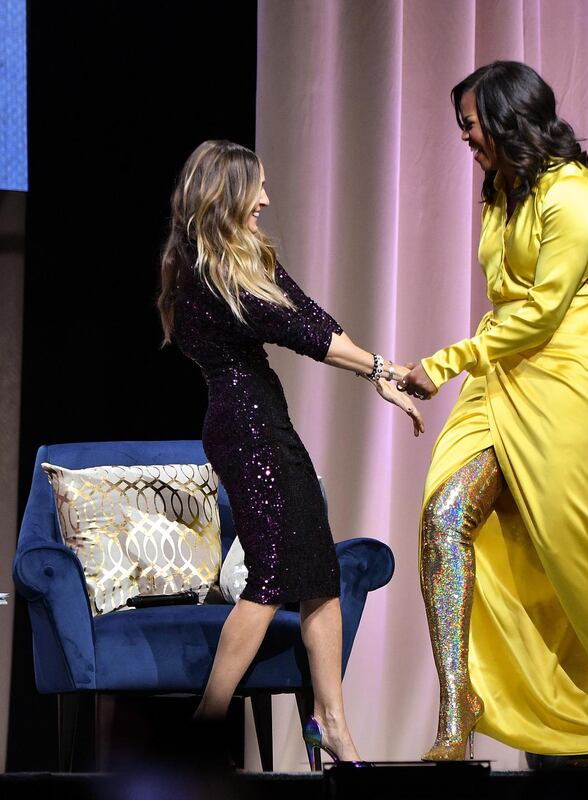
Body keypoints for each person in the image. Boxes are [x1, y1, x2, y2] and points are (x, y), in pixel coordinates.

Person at [399, 61, 588, 766]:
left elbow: (544, 312)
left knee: (573, 557)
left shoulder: (572, 194)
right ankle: (460, 708)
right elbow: (511, 309)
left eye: (471, 124)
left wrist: (444, 364)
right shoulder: (502, 194)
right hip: (505, 373)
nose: (465, 138)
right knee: (444, 516)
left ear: (507, 119)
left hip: (576, 377)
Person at [158, 140, 421, 764]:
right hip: (247, 430)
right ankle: (206, 725)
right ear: (225, 195)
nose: (267, 201)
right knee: (275, 574)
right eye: (257, 190)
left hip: (265, 423)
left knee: (318, 574)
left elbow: (312, 317)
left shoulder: (243, 259)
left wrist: (375, 374)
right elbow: (300, 334)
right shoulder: (208, 272)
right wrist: (385, 366)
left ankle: (331, 723)